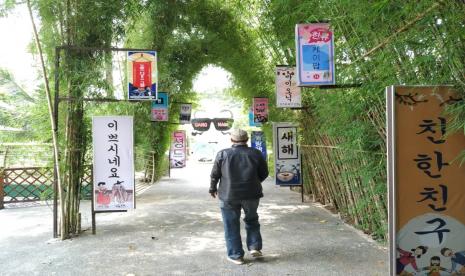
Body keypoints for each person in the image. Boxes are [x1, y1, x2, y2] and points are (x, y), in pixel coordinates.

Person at [209, 129, 269, 265]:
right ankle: (254, 247)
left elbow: (215, 174)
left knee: (231, 224)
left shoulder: (223, 154)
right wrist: (253, 182)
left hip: (228, 195)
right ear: (247, 140)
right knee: (252, 219)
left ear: (232, 140)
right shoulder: (256, 153)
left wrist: (212, 188)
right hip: (252, 194)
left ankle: (236, 255)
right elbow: (264, 173)